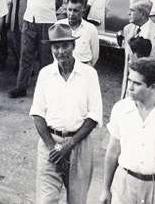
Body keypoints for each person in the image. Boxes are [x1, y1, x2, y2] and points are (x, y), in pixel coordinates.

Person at [99, 58, 155, 204]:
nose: (130, 87)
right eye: (130, 81)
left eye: (137, 84)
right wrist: (105, 188)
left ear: (153, 87)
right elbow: (112, 152)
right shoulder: (120, 109)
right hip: (125, 184)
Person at [30, 23, 102, 204]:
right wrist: (53, 147)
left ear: (73, 45)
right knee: (46, 201)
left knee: (77, 200)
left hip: (79, 145)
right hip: (50, 145)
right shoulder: (45, 74)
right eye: (56, 47)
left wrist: (71, 143)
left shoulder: (89, 74)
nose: (60, 51)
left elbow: (94, 116)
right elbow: (37, 114)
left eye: (65, 46)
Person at [10, 0, 64, 98]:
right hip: (29, 21)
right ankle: (21, 87)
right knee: (25, 56)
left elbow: (59, 0)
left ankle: (45, 90)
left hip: (47, 23)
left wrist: (47, 11)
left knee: (45, 58)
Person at [120, 0, 155, 102]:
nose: (128, 13)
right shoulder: (128, 30)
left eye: (132, 10)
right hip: (131, 93)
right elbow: (128, 64)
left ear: (142, 14)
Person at [62, 0, 99, 66]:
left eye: (75, 11)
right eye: (69, 10)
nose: (71, 14)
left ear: (83, 12)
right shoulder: (59, 26)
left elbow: (95, 56)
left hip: (83, 67)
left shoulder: (91, 29)